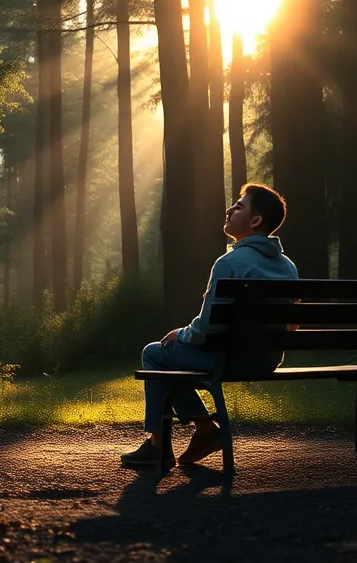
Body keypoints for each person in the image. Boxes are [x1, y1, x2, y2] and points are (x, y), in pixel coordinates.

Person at [121, 183, 299, 468]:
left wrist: (181, 333)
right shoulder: (288, 266)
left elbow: (206, 330)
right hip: (266, 361)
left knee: (154, 353)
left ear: (256, 220)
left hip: (229, 360)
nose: (229, 209)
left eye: (239, 205)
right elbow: (291, 325)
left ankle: (164, 444)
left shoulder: (229, 263)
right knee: (166, 358)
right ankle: (203, 431)